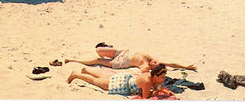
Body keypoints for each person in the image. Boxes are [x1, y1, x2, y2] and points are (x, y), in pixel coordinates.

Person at [67, 64, 171, 98]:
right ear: (156, 75)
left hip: (125, 78)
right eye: (162, 77)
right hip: (122, 85)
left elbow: (156, 86)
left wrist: (159, 89)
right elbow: (146, 97)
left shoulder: (150, 75)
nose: (163, 79)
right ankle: (76, 74)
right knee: (96, 81)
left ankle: (86, 69)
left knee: (103, 76)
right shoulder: (147, 82)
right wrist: (158, 92)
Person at [65, 46, 196, 72]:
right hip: (123, 52)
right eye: (156, 62)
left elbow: (145, 76)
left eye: (154, 64)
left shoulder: (146, 66)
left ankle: (73, 60)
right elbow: (172, 64)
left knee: (97, 60)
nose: (154, 62)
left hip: (121, 62)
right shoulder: (156, 61)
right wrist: (186, 67)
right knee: (99, 50)